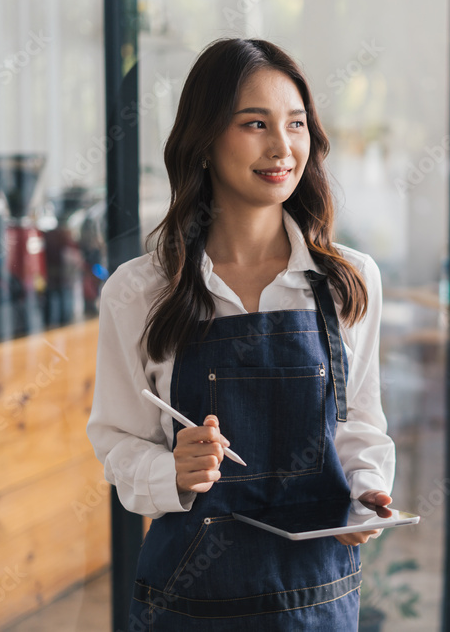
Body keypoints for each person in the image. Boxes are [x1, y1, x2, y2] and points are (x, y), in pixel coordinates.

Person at [86, 38, 396, 631]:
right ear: (204, 141)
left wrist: (367, 494)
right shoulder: (138, 292)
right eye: (255, 124)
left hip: (318, 596)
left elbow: (358, 424)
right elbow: (116, 443)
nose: (283, 147)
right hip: (190, 601)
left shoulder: (349, 283)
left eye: (297, 124)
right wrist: (171, 470)